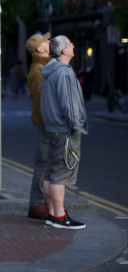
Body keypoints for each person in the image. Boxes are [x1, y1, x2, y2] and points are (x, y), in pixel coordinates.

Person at [39, 35, 88, 230]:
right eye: (71, 44)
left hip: (51, 128)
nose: (74, 45)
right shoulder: (64, 72)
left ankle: (52, 213)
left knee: (50, 171)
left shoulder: (48, 71)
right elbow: (70, 104)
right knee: (61, 173)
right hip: (64, 130)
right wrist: (76, 127)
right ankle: (60, 216)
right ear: (65, 51)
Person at [25, 32, 51, 220]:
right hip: (44, 122)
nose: (49, 41)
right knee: (43, 163)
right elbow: (42, 100)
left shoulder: (46, 67)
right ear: (40, 49)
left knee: (48, 163)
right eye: (46, 41)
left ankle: (47, 202)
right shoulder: (38, 71)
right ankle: (36, 204)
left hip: (45, 121)